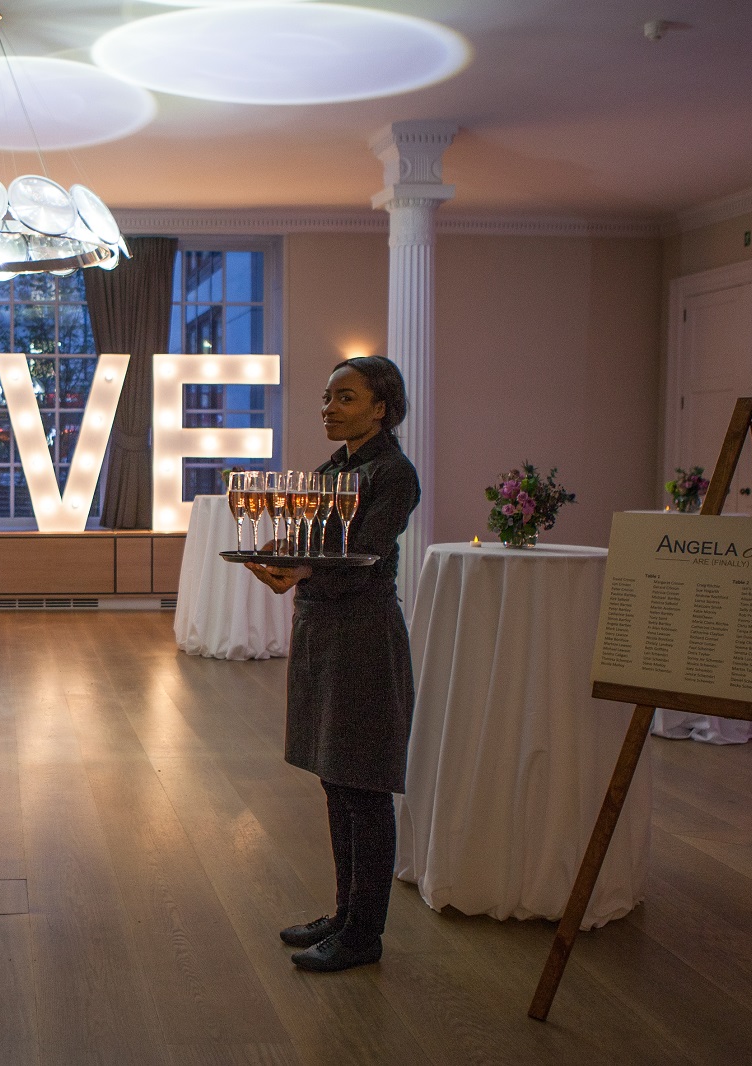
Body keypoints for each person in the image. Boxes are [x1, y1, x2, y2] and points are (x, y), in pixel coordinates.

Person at [247, 355, 420, 973]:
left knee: (364, 785)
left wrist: (305, 567)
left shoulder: (391, 474)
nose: (329, 408)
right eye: (327, 397)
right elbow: (316, 543)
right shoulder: (333, 470)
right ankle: (345, 913)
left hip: (364, 638)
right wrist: (281, 552)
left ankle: (363, 935)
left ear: (381, 407)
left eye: (345, 397)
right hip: (323, 631)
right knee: (334, 775)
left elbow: (369, 551)